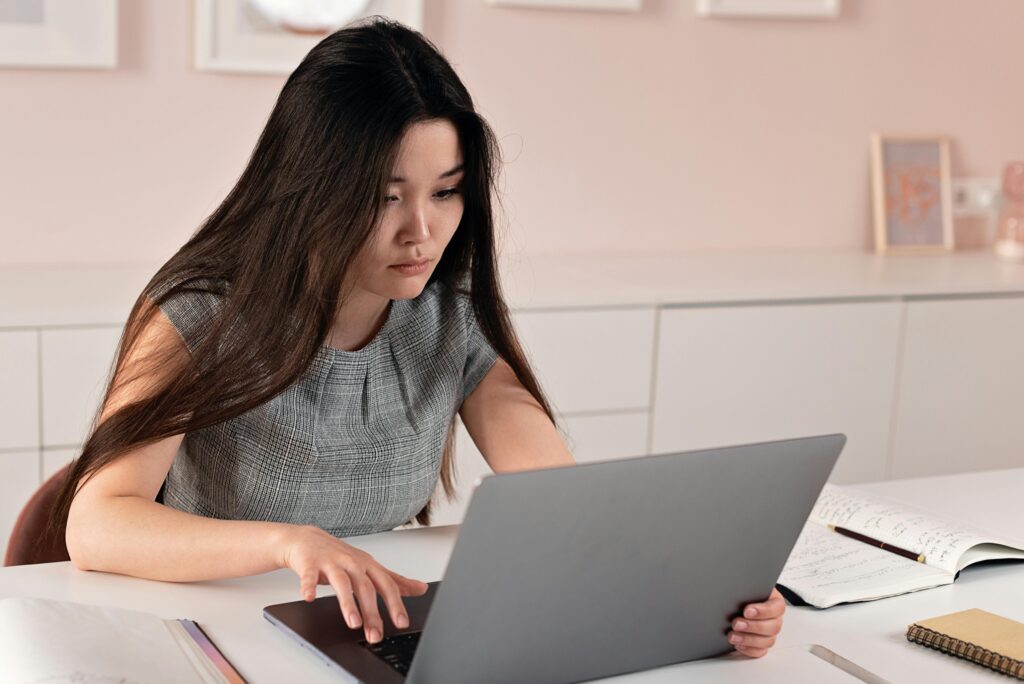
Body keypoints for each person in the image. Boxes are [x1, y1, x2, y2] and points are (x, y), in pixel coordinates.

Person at [49, 16, 784, 657]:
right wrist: (287, 541)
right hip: (209, 636)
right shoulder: (198, 314)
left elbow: (567, 504)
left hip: (367, 632)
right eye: (385, 197)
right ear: (312, 184)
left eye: (446, 191)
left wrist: (704, 597)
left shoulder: (446, 318)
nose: (422, 232)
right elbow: (98, 524)